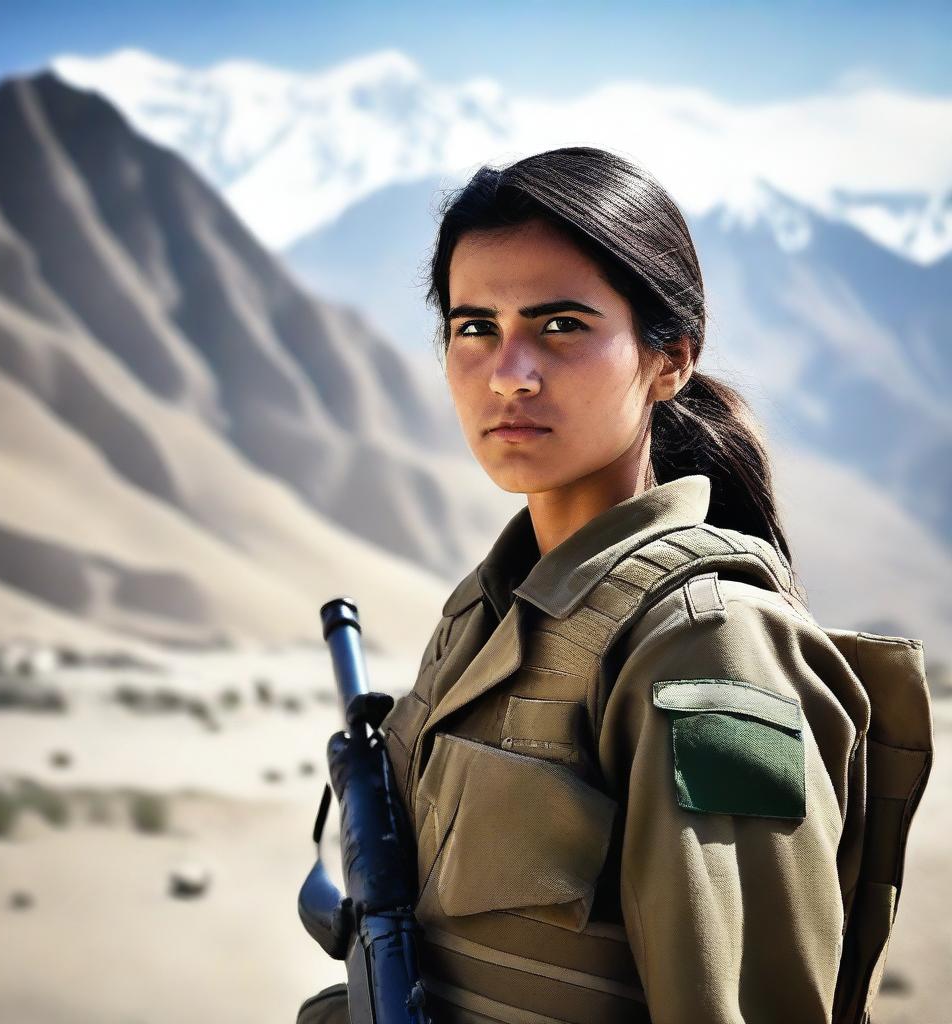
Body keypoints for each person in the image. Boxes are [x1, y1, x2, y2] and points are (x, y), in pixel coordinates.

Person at [298, 146, 881, 1024]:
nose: (509, 372)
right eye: (474, 327)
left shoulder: (709, 645)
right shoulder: (482, 618)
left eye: (560, 325)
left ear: (670, 359)